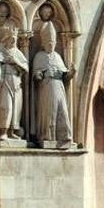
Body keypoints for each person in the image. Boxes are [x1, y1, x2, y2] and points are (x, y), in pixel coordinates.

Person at [32, 20, 74, 148]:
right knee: (50, 112)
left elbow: (66, 75)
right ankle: (48, 137)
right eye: (49, 42)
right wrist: (40, 75)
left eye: (53, 42)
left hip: (59, 86)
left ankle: (64, 137)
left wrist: (72, 72)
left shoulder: (57, 56)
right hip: (47, 87)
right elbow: (36, 74)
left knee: (63, 111)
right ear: (43, 43)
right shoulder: (39, 56)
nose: (51, 45)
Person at [0, 26, 28, 145]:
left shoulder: (18, 53)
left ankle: (11, 131)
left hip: (16, 82)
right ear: (6, 38)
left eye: (15, 39)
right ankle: (2, 131)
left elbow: (25, 68)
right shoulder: (0, 49)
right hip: (4, 81)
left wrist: (15, 62)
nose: (13, 41)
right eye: (11, 38)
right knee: (6, 106)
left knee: (16, 108)